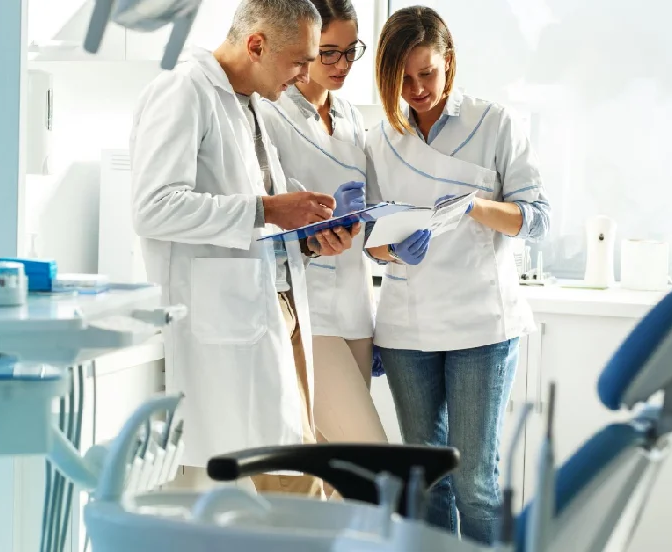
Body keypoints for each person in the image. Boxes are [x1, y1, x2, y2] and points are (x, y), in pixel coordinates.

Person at [129, 0, 364, 498]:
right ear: (256, 44)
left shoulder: (251, 102)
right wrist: (269, 210)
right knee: (297, 492)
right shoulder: (183, 90)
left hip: (281, 313)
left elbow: (261, 228)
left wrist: (311, 239)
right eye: (300, 60)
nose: (307, 74)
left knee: (298, 476)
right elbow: (154, 207)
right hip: (234, 322)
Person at [365, 6, 551, 544]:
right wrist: (391, 251)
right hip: (407, 327)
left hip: (480, 325)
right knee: (427, 483)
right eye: (403, 77)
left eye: (427, 73)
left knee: (475, 483)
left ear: (449, 62)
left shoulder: (495, 123)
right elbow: (371, 245)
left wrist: (474, 207)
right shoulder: (380, 140)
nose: (417, 88)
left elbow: (537, 219)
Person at [257, 0, 388, 458]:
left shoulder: (352, 115)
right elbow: (263, 216)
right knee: (374, 461)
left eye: (352, 51)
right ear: (306, 45)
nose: (342, 65)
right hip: (306, 307)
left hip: (356, 304)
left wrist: (388, 235)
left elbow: (369, 212)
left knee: (336, 474)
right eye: (328, 52)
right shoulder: (269, 113)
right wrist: (312, 234)